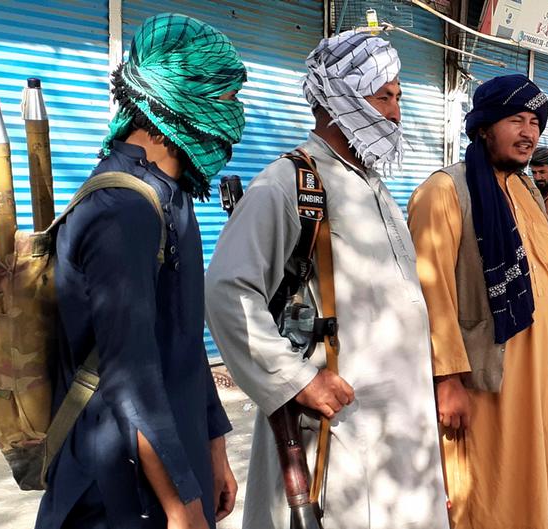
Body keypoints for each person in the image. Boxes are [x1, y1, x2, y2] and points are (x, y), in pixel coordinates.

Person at [204, 30, 450, 529]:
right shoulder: (287, 183)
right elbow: (228, 293)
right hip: (339, 437)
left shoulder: (374, 185)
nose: (395, 113)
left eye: (398, 97)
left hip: (402, 433)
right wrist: (298, 381)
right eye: (383, 96)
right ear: (339, 97)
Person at [35, 13, 246, 529]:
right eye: (223, 99)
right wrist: (181, 505)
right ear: (175, 98)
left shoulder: (172, 198)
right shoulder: (120, 210)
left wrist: (214, 452)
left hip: (175, 468)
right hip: (116, 493)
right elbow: (130, 378)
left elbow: (183, 341)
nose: (234, 115)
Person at [407, 74, 548, 529]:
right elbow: (431, 295)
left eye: (534, 122)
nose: (529, 133)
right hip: (485, 378)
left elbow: (544, 270)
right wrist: (446, 380)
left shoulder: (525, 189)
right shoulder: (446, 191)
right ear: (484, 125)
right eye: (516, 120)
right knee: (488, 493)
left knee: (536, 483)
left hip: (537, 375)